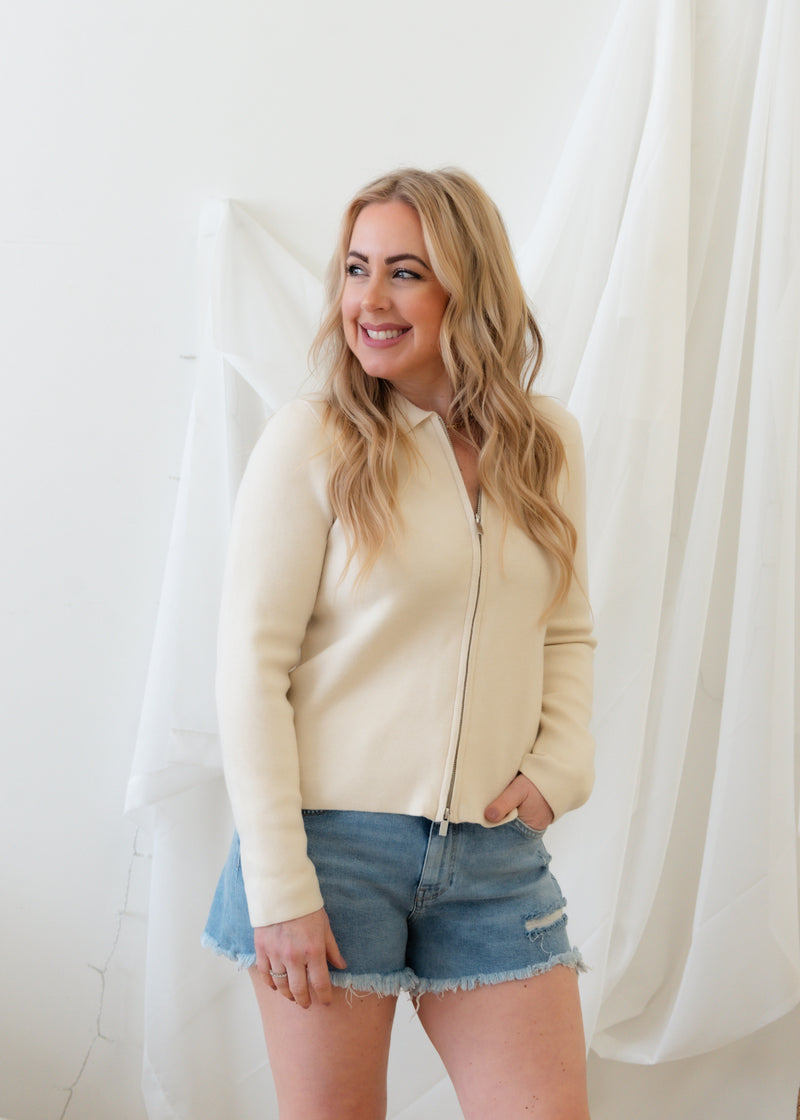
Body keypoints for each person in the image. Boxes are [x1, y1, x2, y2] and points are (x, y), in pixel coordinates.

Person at [203, 167, 595, 1119]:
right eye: (356, 269)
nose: (369, 300)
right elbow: (250, 671)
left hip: (495, 858)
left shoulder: (544, 443)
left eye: (405, 272)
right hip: (329, 853)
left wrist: (559, 769)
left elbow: (568, 627)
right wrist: (280, 887)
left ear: (470, 287)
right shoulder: (311, 441)